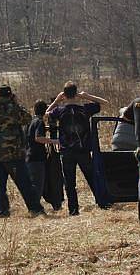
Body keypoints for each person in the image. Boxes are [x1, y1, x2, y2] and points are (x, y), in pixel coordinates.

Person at [46, 81, 108, 216]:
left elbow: (46, 114)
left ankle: (73, 210)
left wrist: (57, 100)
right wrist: (86, 96)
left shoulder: (60, 110)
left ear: (64, 95)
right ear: (76, 93)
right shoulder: (85, 109)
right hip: (83, 149)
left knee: (69, 182)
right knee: (91, 177)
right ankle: (102, 202)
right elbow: (104, 102)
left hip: (66, 151)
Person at [0, 85, 45, 217]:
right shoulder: (12, 108)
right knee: (24, 182)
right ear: (10, 95)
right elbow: (27, 118)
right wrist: (16, 103)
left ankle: (2, 211)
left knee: (0, 184)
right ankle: (35, 209)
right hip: (12, 153)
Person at [26, 100, 59, 209]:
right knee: (38, 185)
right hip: (37, 158)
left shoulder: (31, 121)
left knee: (35, 184)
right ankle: (35, 208)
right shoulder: (39, 122)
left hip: (29, 156)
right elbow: (38, 138)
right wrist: (54, 141)